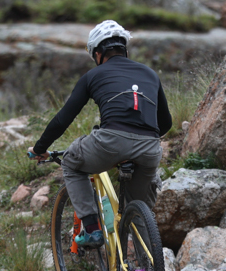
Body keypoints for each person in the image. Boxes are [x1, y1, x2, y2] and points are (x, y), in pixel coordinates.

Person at [29, 22, 172, 248]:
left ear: (97, 53)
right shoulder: (150, 74)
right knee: (137, 208)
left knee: (71, 163)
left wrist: (39, 148)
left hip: (109, 143)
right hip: (150, 148)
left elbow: (63, 119)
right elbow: (166, 123)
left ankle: (93, 229)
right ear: (124, 49)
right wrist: (139, 140)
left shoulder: (92, 75)